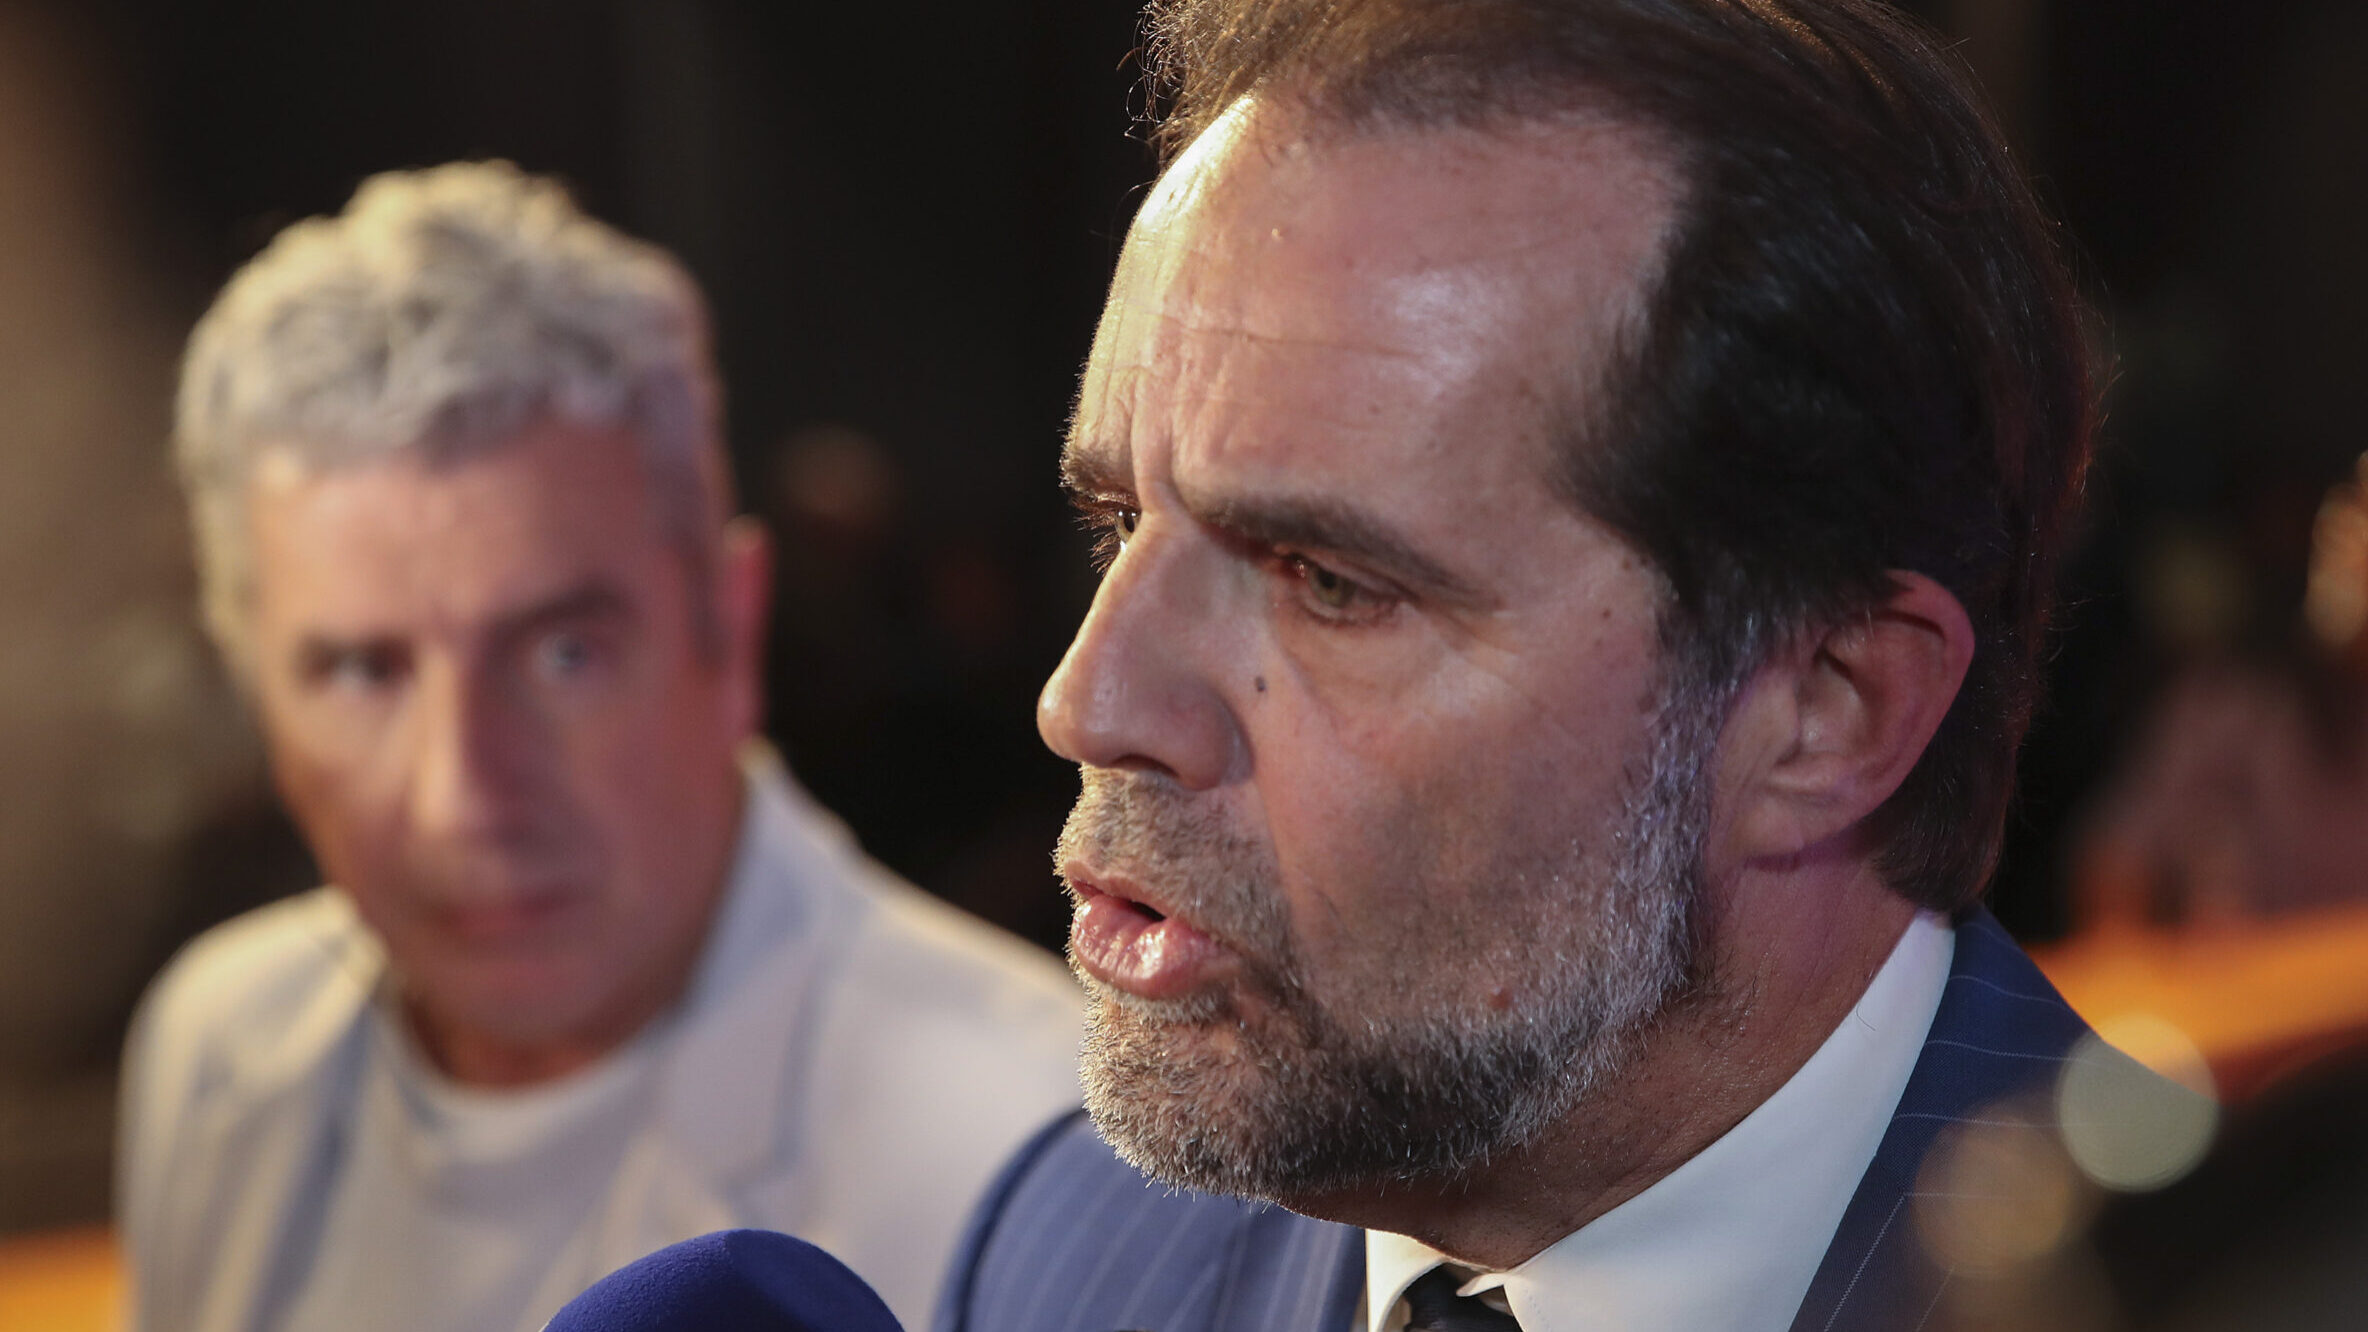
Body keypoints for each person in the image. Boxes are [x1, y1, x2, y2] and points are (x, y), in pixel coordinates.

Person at [936, 2, 2195, 1330]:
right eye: (1116, 522)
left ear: (1827, 713)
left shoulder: (2202, 1295)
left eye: (1329, 583)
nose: (1088, 703)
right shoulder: (1070, 1249)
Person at [120, 162, 1081, 1332]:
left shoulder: (1033, 1155)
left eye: (562, 654)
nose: (462, 796)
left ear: (729, 627)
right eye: (364, 673)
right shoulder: (218, 1056)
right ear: (253, 694)